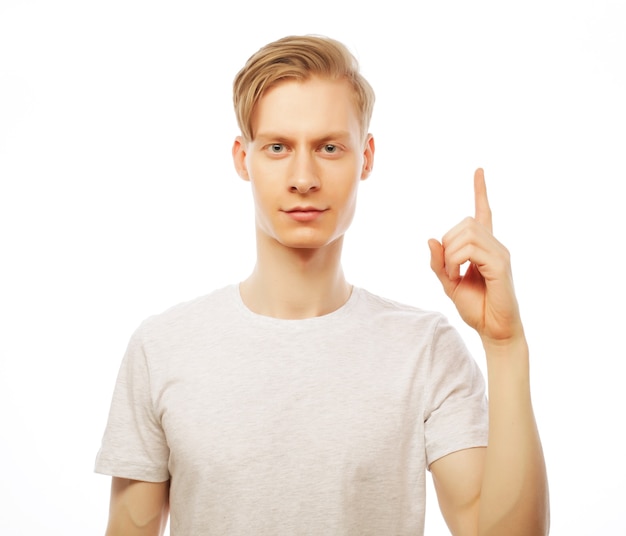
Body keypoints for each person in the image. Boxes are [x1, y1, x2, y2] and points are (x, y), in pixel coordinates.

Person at [95, 35, 549, 535]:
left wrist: (504, 345)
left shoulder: (424, 350)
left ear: (366, 157)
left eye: (329, 147)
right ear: (243, 159)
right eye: (277, 147)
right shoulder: (163, 348)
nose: (303, 177)